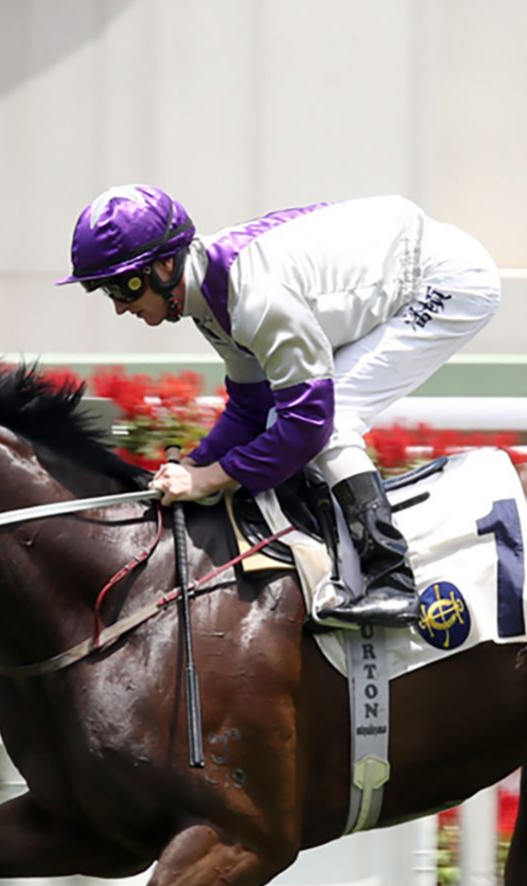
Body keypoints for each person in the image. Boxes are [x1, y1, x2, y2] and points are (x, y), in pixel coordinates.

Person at [59, 185, 502, 626]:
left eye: (125, 286)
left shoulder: (253, 299)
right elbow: (251, 407)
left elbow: (309, 424)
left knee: (335, 420)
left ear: (166, 265)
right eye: (106, 290)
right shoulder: (207, 299)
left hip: (445, 281)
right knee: (281, 419)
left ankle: (392, 579)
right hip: (389, 274)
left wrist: (208, 479)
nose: (119, 307)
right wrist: (194, 465)